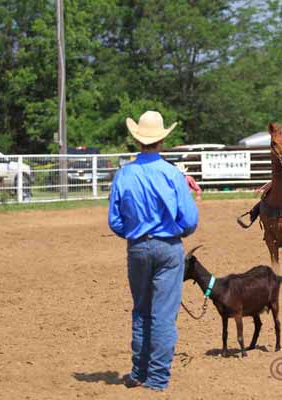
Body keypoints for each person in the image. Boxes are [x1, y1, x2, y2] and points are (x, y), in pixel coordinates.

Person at [108, 110, 199, 391]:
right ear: (161, 141)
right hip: (169, 247)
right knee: (163, 314)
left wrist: (134, 234)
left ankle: (139, 371)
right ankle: (158, 378)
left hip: (137, 247)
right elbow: (190, 220)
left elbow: (115, 220)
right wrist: (177, 232)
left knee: (141, 310)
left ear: (138, 141)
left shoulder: (124, 174)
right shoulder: (173, 174)